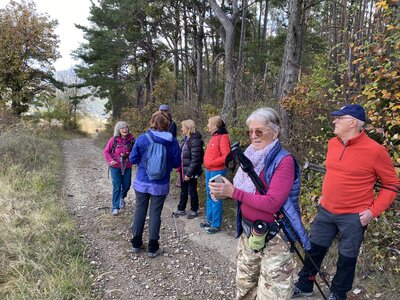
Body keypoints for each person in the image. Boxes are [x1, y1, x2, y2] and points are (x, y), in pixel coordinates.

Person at [293, 104, 399, 300]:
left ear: (352, 122)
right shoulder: (333, 143)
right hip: (326, 211)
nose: (334, 121)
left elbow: (392, 184)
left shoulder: (376, 151)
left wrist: (372, 212)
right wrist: (325, 195)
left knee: (347, 257)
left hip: (354, 216)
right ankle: (305, 284)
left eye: (339, 118)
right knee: (314, 248)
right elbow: (335, 172)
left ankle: (338, 292)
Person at [209, 107, 308, 299]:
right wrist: (223, 193)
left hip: (276, 236)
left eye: (259, 131)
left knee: (272, 294)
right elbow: (244, 192)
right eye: (250, 131)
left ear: (276, 131)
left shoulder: (284, 161)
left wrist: (234, 192)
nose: (253, 136)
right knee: (245, 286)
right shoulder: (251, 155)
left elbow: (272, 203)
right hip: (250, 232)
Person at [129, 111, 181, 258]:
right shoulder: (173, 141)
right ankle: (153, 248)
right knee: (155, 214)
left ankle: (136, 244)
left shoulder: (142, 138)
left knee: (140, 211)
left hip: (142, 181)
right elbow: (177, 163)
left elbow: (133, 159)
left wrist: (144, 162)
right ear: (167, 125)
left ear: (152, 122)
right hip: (161, 184)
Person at [202, 116, 231, 234]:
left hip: (217, 171)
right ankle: (209, 220)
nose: (208, 126)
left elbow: (226, 156)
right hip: (209, 170)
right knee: (209, 195)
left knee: (216, 197)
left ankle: (216, 224)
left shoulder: (223, 137)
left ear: (215, 126)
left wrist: (212, 163)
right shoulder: (214, 137)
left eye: (209, 123)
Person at [173, 119, 204, 219]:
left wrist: (189, 173)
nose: (181, 128)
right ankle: (181, 208)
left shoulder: (195, 140)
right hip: (184, 169)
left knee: (192, 190)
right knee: (184, 190)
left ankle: (194, 209)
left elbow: (196, 159)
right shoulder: (186, 139)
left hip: (191, 171)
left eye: (183, 127)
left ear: (188, 128)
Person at [103, 121, 135, 216]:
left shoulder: (132, 140)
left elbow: (136, 151)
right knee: (117, 186)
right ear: (118, 130)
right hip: (115, 166)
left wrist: (130, 155)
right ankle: (115, 207)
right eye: (122, 128)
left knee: (127, 185)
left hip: (127, 166)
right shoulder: (113, 140)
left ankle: (122, 197)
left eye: (126, 128)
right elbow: (106, 152)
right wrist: (110, 160)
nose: (125, 130)